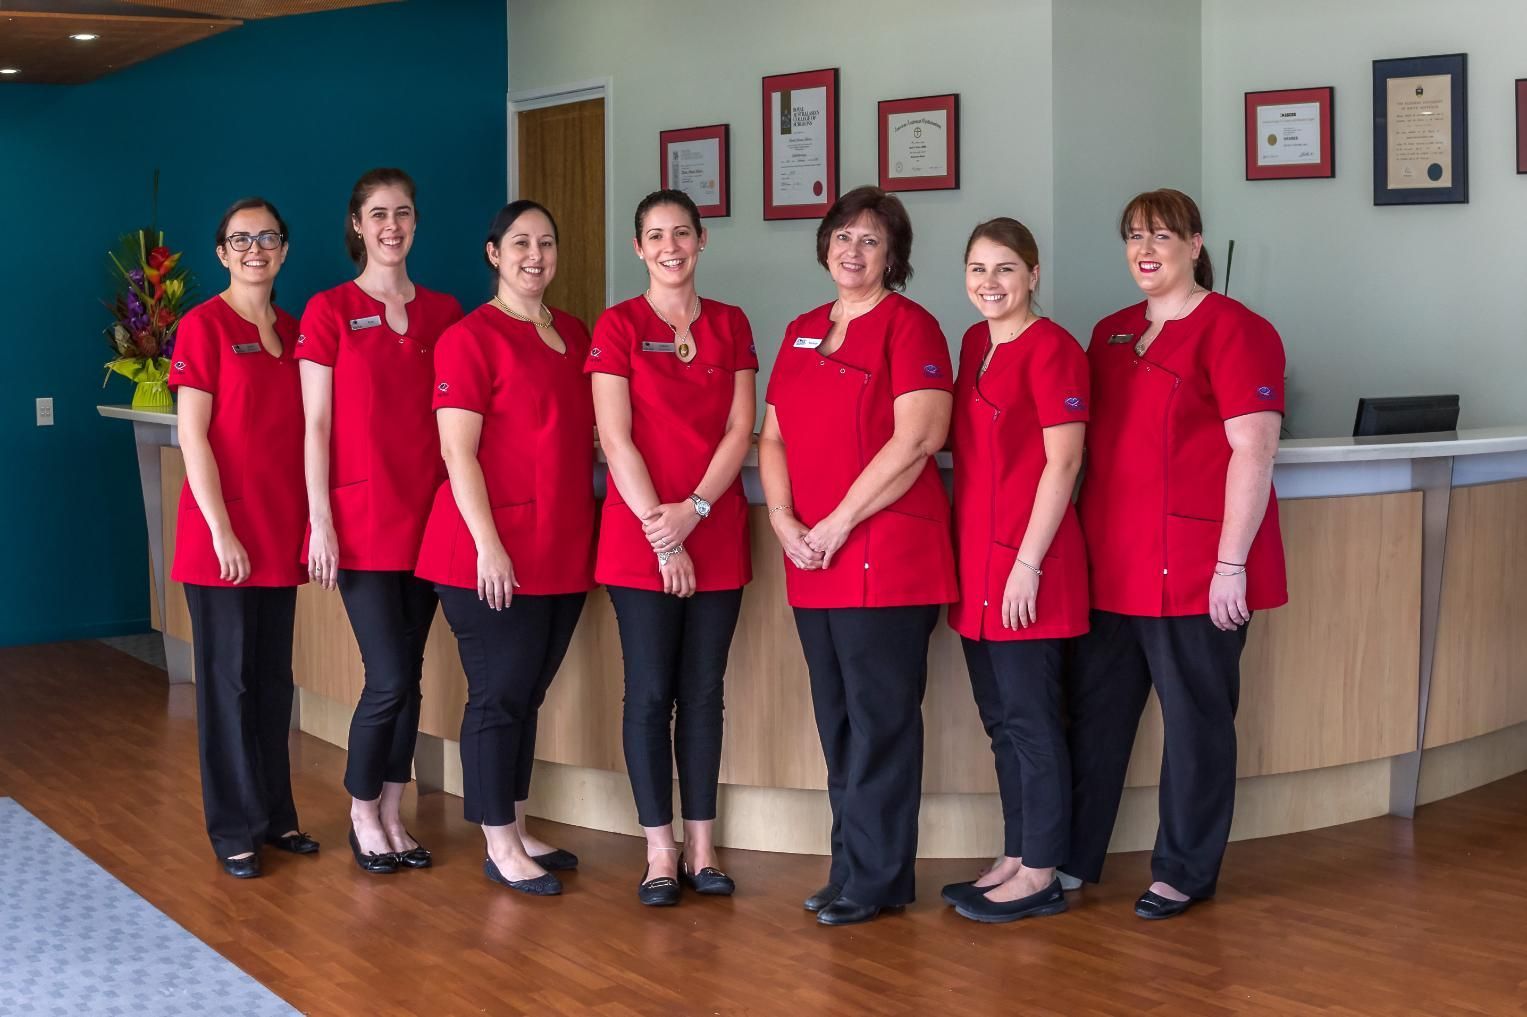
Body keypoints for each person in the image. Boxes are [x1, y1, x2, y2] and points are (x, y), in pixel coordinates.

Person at [1065, 188, 1286, 919]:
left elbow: (1252, 450)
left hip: (1196, 567)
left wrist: (1231, 564)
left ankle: (1183, 870)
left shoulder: (1235, 329)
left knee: (1195, 721)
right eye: (1132, 235)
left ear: (1196, 244)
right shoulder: (1109, 333)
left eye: (1161, 234)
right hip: (1112, 562)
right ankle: (1069, 858)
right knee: (1093, 715)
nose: (1144, 248)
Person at [757, 185, 956, 926]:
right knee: (837, 719)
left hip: (886, 552)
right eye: (841, 236)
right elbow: (770, 435)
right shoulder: (803, 329)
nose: (852, 249)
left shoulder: (912, 327)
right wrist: (781, 517)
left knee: (881, 720)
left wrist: (837, 520)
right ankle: (850, 865)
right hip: (811, 555)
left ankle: (877, 877)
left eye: (870, 240)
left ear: (893, 256)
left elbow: (918, 439)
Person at [414, 200, 594, 896]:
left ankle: (515, 822)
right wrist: (488, 546)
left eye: (545, 243)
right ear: (493, 254)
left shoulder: (573, 333)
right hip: (488, 551)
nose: (534, 256)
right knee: (497, 694)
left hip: (558, 547)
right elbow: (458, 452)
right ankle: (496, 841)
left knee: (527, 693)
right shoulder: (470, 338)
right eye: (519, 243)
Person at [588, 189, 756, 906]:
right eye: (655, 234)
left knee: (704, 694)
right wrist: (664, 534)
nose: (670, 246)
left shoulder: (731, 323)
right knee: (651, 692)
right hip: (639, 535)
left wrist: (693, 511)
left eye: (681, 233)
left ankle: (701, 846)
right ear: (638, 248)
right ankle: (658, 851)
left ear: (701, 241)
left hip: (712, 528)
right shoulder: (618, 325)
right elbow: (615, 437)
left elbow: (737, 430)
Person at [297, 167, 463, 875]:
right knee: (388, 674)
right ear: (357, 227)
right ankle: (362, 807)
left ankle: (393, 812)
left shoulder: (446, 311)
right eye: (377, 215)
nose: (391, 226)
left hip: (432, 519)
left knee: (413, 676)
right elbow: (314, 423)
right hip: (363, 519)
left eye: (402, 214)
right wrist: (320, 521)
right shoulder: (328, 309)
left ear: (415, 223)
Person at [940, 218, 1089, 923]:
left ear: (1032, 273)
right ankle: (1014, 852)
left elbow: (1062, 462)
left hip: (1030, 566)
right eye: (977, 269)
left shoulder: (1054, 349)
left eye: (1004, 269)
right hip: (976, 566)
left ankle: (1041, 870)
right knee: (999, 720)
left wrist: (1026, 564)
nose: (989, 283)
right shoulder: (973, 343)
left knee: (1032, 722)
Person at [169, 197, 315, 879]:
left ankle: (275, 815)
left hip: (279, 532)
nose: (256, 248)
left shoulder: (295, 329)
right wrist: (221, 528)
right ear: (222, 253)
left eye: (268, 237)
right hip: (222, 537)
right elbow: (191, 434)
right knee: (226, 686)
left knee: (271, 681)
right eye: (241, 239)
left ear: (283, 249)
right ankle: (232, 827)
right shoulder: (203, 326)